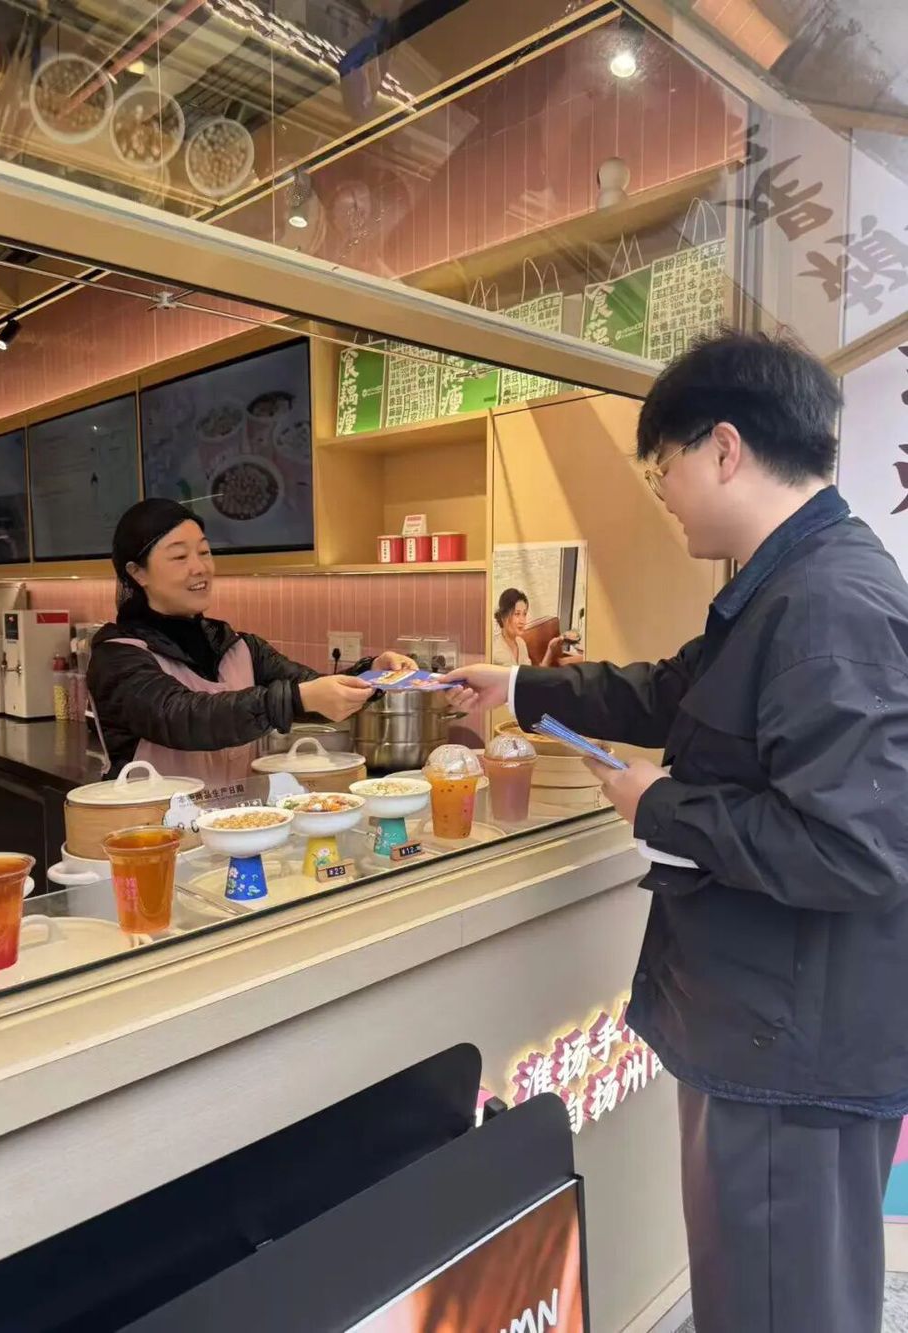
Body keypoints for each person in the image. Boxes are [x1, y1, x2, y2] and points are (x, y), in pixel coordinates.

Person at [442, 331, 908, 1333]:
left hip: (794, 1048)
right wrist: (518, 685)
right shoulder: (786, 582)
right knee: (765, 1293)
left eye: (664, 465)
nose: (662, 491)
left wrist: (657, 806)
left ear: (725, 448)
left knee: (780, 1305)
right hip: (772, 1025)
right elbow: (669, 690)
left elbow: (853, 850)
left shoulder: (825, 604)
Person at [88, 499, 416, 787]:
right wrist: (298, 698)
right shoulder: (118, 656)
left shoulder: (239, 647)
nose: (199, 567)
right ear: (137, 573)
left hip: (236, 826)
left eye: (204, 552)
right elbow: (184, 717)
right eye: (179, 556)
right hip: (151, 832)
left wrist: (374, 675)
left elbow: (313, 691)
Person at [491, 588, 580, 668]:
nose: (522, 621)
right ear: (504, 616)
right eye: (517, 614)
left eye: (524, 614)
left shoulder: (521, 643)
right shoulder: (493, 650)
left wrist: (550, 649)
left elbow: (533, 677)